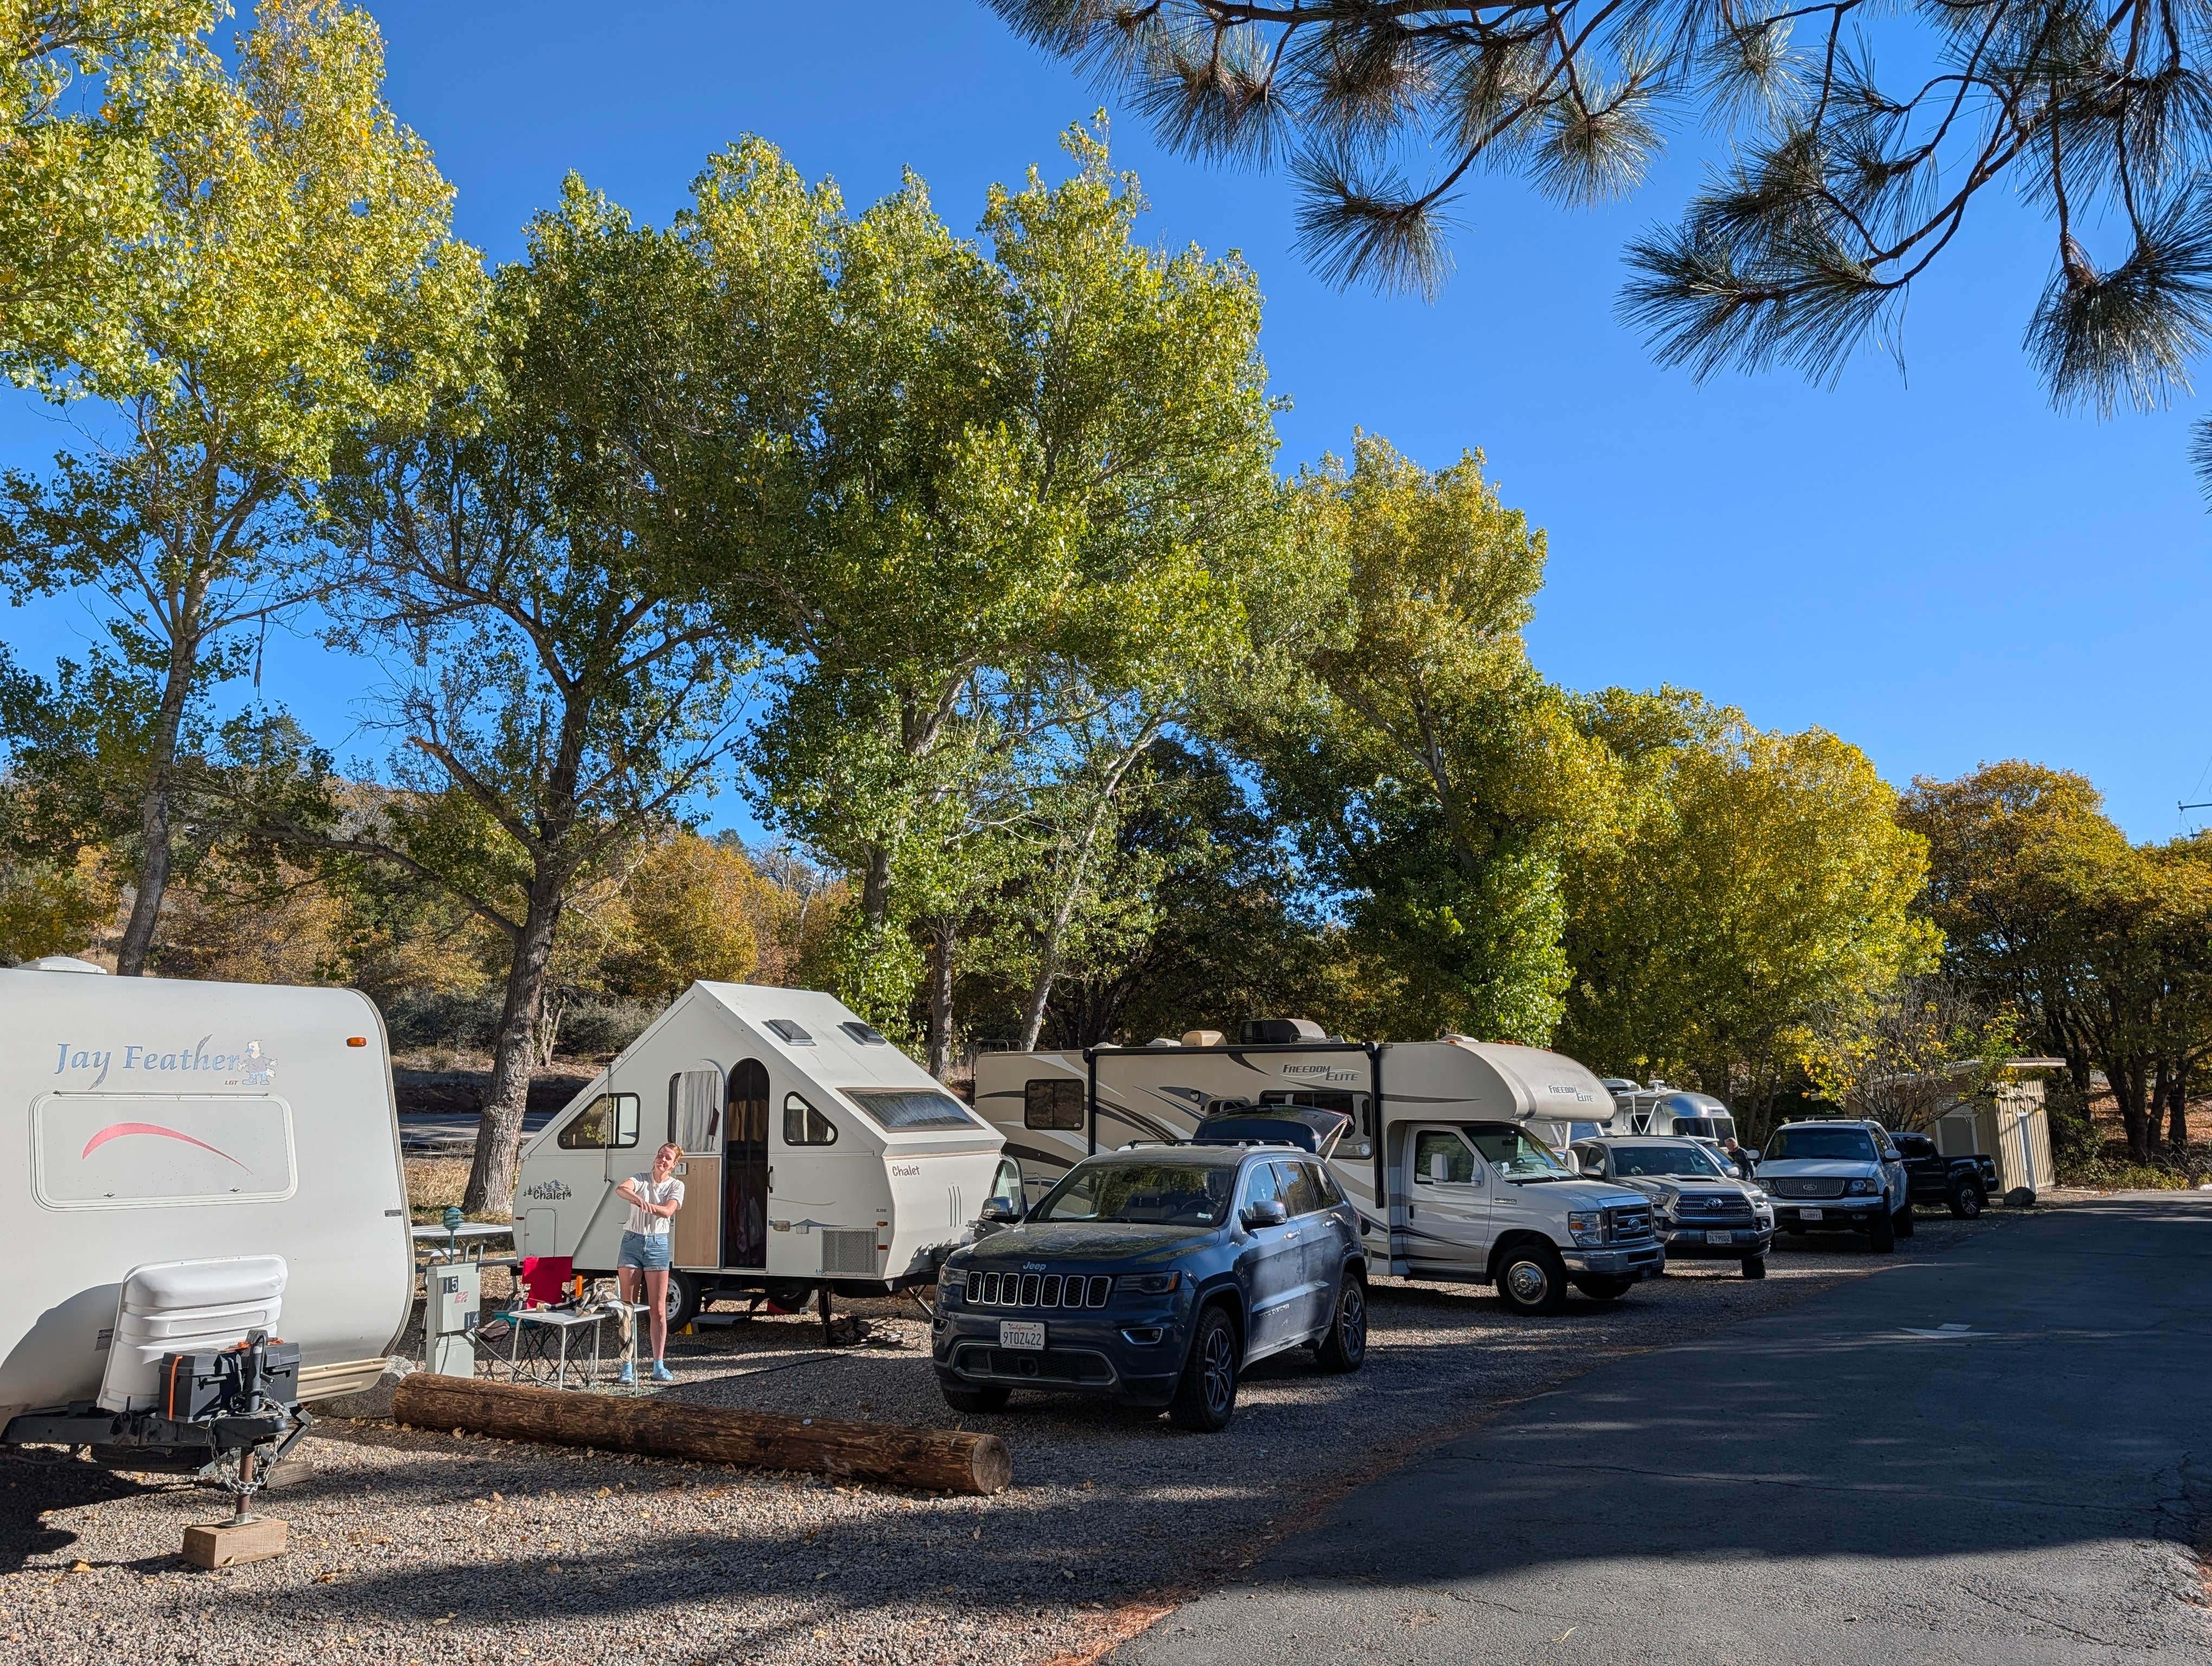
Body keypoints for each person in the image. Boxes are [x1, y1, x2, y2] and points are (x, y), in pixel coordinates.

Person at [615, 1142, 684, 1383]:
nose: (662, 1160)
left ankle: (658, 1365)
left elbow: (668, 1211)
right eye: (660, 1155)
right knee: (628, 1307)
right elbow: (621, 1190)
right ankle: (626, 1366)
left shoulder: (677, 1185)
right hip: (632, 1241)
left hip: (657, 1244)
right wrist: (636, 1200)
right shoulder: (640, 1178)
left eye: (667, 1158)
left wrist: (649, 1206)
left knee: (658, 1310)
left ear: (674, 1165)